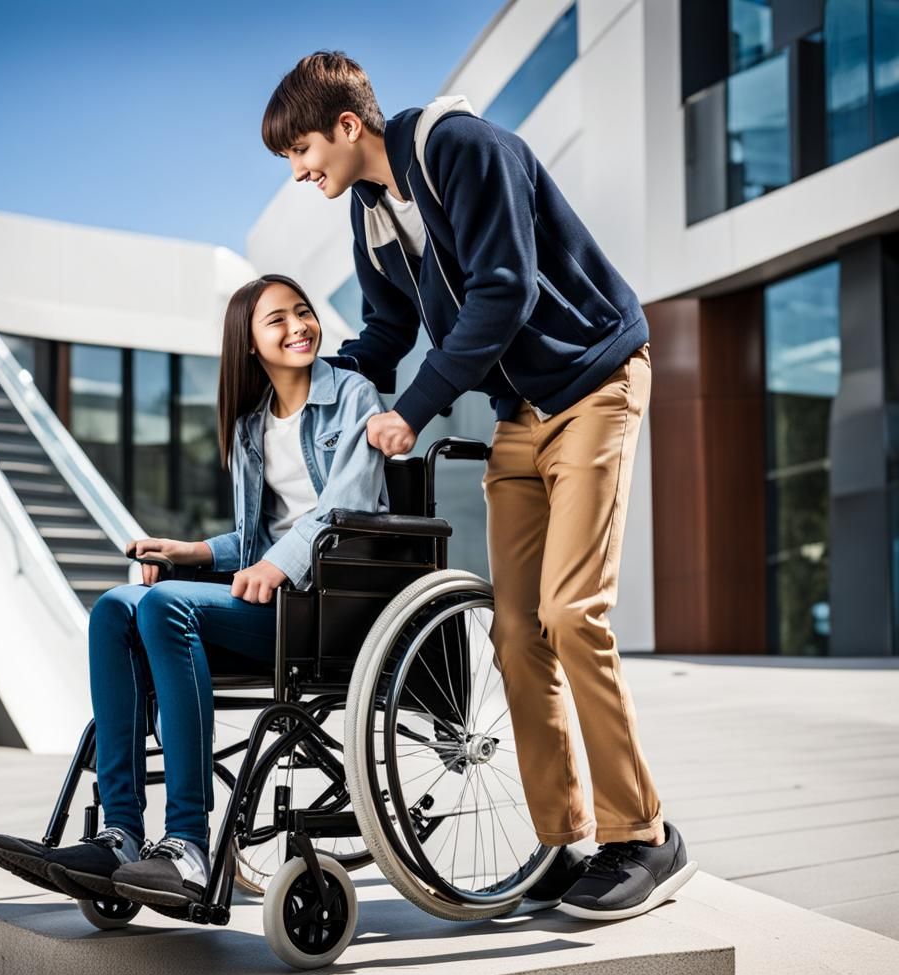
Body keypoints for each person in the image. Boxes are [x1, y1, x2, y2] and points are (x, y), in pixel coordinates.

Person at [260, 52, 696, 920]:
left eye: (304, 151)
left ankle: (643, 836)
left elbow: (502, 292)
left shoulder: (463, 148)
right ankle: (562, 842)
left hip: (594, 383)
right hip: (518, 413)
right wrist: (320, 381)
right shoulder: (373, 211)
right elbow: (387, 329)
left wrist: (415, 410)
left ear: (348, 127)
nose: (303, 172)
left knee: (574, 613)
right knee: (513, 631)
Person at [0, 274, 388, 909]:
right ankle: (119, 836)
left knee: (169, 605)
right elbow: (259, 538)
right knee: (118, 607)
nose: (298, 327)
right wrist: (195, 552)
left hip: (332, 605)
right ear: (249, 344)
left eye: (302, 313)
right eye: (276, 320)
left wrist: (279, 565)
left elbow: (347, 508)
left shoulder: (353, 395)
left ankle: (189, 845)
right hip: (271, 598)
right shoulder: (252, 427)